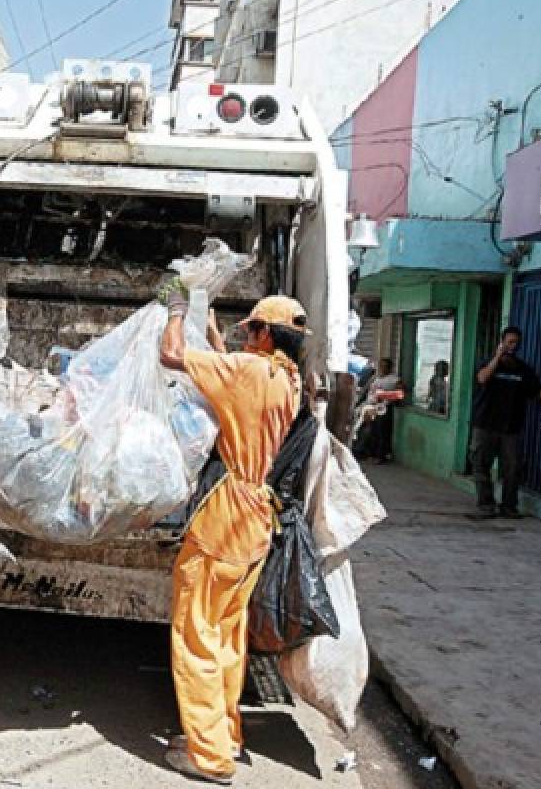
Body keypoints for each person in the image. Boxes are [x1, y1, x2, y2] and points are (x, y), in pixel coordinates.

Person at [158, 283, 306, 785]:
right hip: (256, 521)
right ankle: (222, 734)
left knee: (196, 635)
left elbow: (171, 354)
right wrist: (217, 337)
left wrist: (176, 311)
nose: (246, 340)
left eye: (252, 331)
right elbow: (239, 382)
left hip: (225, 520)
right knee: (225, 637)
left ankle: (207, 756)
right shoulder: (289, 380)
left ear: (266, 334)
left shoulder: (248, 371)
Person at [469, 326, 541, 519]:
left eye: (516, 343)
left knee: (512, 467)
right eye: (509, 342)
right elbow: (483, 378)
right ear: (501, 342)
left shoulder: (523, 369)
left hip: (511, 427)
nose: (512, 346)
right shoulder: (486, 363)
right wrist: (497, 358)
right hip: (485, 424)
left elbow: (534, 389)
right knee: (481, 465)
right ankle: (486, 505)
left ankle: (509, 506)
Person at [362, 358, 405, 464]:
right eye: (381, 366)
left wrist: (384, 396)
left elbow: (400, 394)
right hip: (372, 407)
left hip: (384, 408)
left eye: (385, 366)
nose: (382, 368)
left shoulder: (394, 379)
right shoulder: (377, 379)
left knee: (382, 433)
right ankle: (371, 454)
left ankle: (381, 456)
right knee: (373, 432)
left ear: (390, 368)